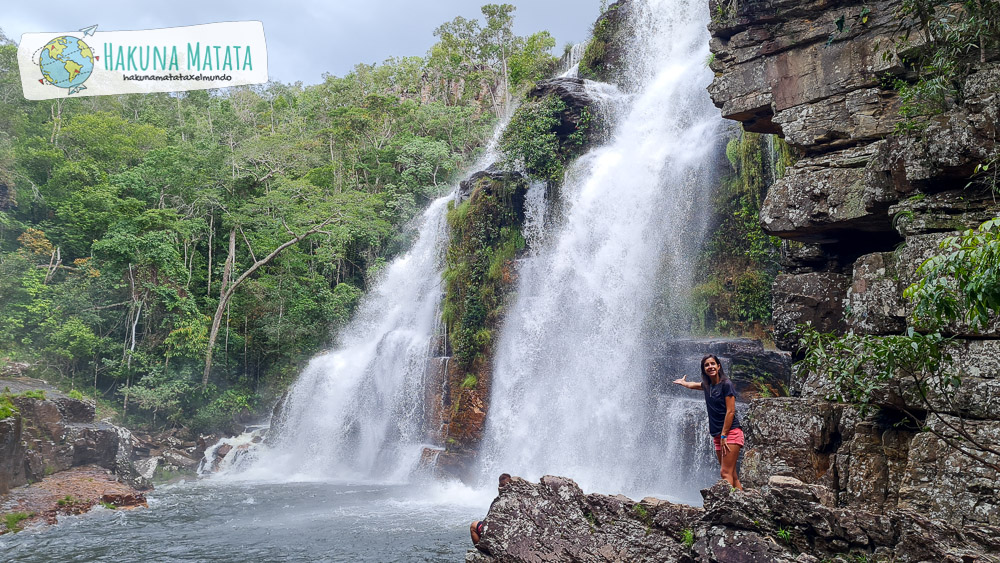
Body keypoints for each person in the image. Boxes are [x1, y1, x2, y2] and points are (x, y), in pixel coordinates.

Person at [673, 354, 744, 490]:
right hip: (718, 435)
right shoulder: (708, 386)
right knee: (732, 474)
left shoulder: (726, 385)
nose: (710, 367)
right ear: (704, 369)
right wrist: (684, 383)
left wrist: (724, 435)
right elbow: (694, 385)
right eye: (707, 365)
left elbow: (731, 411)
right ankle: (743, 505)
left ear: (718, 366)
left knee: (725, 473)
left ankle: (727, 507)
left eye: (712, 364)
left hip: (730, 433)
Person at [470, 473, 512, 546]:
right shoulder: (500, 499)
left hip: (498, 532)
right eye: (500, 486)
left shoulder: (502, 499)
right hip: (503, 531)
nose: (501, 488)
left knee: (474, 525)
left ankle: (480, 550)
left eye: (503, 485)